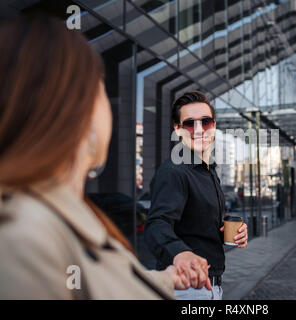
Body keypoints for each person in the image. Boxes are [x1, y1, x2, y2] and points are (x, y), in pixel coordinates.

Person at [0, 15, 193, 299]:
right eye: (102, 89)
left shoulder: (60, 222)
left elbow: (106, 284)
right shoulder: (26, 238)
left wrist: (166, 279)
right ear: (80, 110)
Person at [145, 91, 248, 300]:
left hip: (210, 286)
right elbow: (157, 223)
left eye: (206, 122)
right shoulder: (175, 171)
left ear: (214, 125)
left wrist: (231, 233)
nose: (199, 129)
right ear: (178, 129)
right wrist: (180, 253)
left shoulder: (208, 171)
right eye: (190, 123)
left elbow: (198, 227)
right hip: (186, 289)